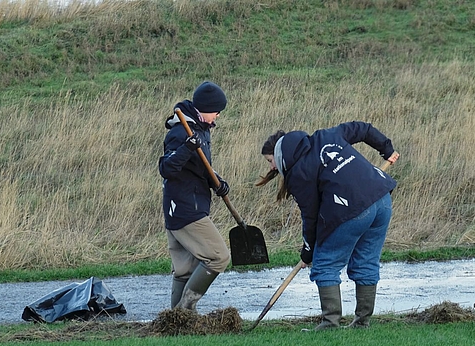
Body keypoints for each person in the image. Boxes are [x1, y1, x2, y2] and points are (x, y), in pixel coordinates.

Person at [257, 122, 399, 330]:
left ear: (279, 154)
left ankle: (330, 324)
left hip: (355, 208)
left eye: (270, 161)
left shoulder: (298, 173)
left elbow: (311, 216)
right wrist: (386, 148)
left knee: (325, 264)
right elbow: (363, 129)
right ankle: (362, 323)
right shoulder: (326, 136)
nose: (271, 167)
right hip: (382, 199)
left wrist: (308, 252)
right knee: (366, 262)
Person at [159, 81, 231, 312]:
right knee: (219, 257)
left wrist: (216, 182)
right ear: (204, 108)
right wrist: (186, 148)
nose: (217, 117)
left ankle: (177, 322)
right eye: (216, 112)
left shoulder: (200, 130)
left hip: (187, 204)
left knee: (184, 270)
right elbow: (167, 168)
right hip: (185, 208)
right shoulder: (181, 132)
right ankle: (184, 310)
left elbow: (199, 167)